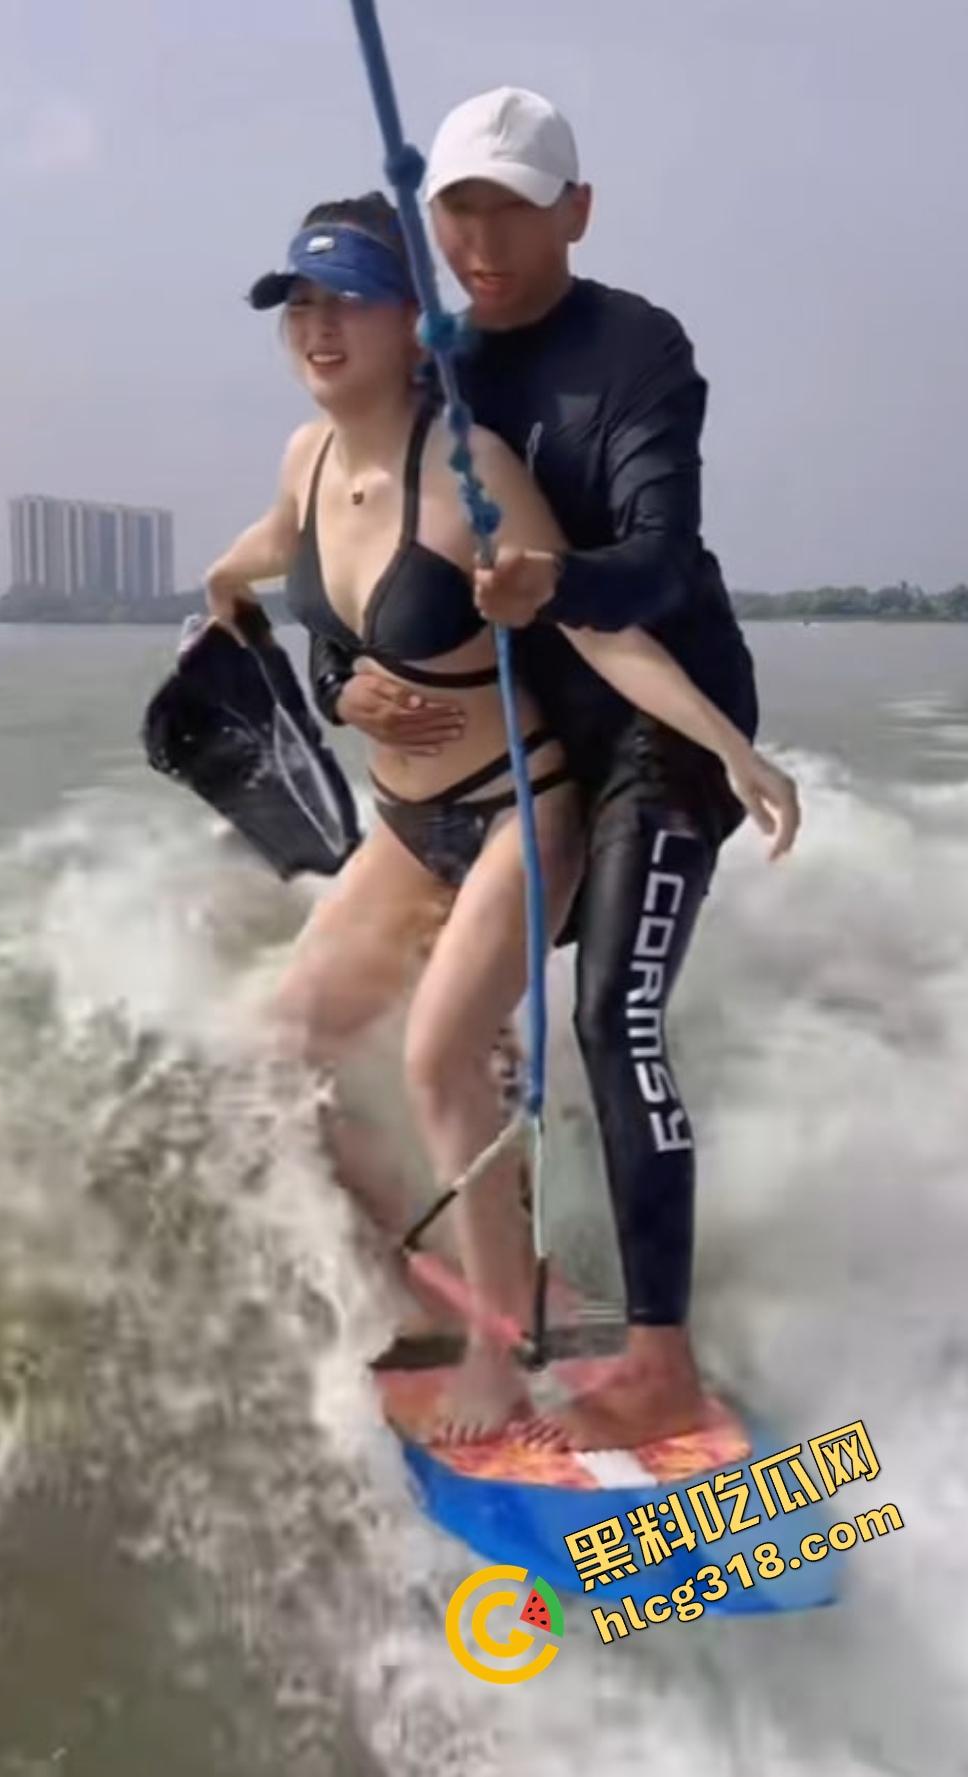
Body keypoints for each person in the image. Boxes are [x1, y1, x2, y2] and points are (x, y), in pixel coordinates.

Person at [204, 186, 798, 1445]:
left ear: (411, 322)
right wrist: (225, 595)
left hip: (518, 811)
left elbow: (597, 626)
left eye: (346, 302)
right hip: (404, 826)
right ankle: (437, 1272)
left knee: (437, 1055)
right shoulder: (307, 458)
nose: (317, 328)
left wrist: (729, 747)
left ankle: (498, 1345)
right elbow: (269, 547)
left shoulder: (471, 472)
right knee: (281, 1046)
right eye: (296, 305)